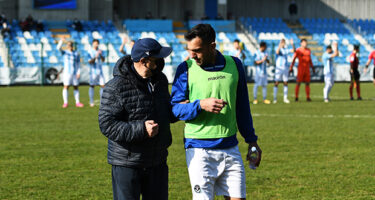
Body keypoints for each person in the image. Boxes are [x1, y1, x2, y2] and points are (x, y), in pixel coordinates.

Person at [171, 24, 262, 200]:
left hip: (230, 148)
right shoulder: (185, 69)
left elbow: (242, 107)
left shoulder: (234, 65)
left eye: (197, 50)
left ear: (212, 46)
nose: (192, 55)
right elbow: (174, 109)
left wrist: (252, 140)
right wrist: (199, 105)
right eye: (189, 50)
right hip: (199, 150)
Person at [98, 38, 174, 200]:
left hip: (157, 160)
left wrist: (184, 107)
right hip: (128, 163)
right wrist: (141, 129)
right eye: (157, 58)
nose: (162, 61)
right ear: (144, 61)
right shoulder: (115, 86)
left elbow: (167, 112)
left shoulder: (160, 80)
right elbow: (106, 124)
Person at [57, 38, 84, 108]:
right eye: (68, 45)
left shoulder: (76, 53)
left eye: (71, 45)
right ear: (67, 46)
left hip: (75, 73)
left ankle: (77, 102)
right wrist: (61, 41)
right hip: (67, 73)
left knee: (76, 87)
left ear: (72, 45)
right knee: (66, 86)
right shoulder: (65, 52)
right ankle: (65, 103)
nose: (70, 46)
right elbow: (58, 48)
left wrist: (78, 72)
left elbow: (78, 64)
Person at [273, 38, 295, 104]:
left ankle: (285, 98)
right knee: (276, 82)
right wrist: (280, 45)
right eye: (282, 42)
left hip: (285, 67)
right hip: (278, 68)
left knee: (285, 82)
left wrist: (292, 44)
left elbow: (294, 50)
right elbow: (277, 52)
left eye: (284, 42)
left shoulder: (286, 49)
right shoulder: (277, 48)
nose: (283, 43)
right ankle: (275, 98)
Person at [88, 39, 105, 107]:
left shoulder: (101, 51)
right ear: (92, 44)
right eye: (95, 43)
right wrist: (95, 57)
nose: (96, 44)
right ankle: (91, 101)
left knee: (103, 86)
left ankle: (102, 102)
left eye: (97, 43)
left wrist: (100, 55)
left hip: (100, 71)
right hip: (93, 72)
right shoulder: (90, 51)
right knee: (92, 86)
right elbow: (90, 62)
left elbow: (103, 60)